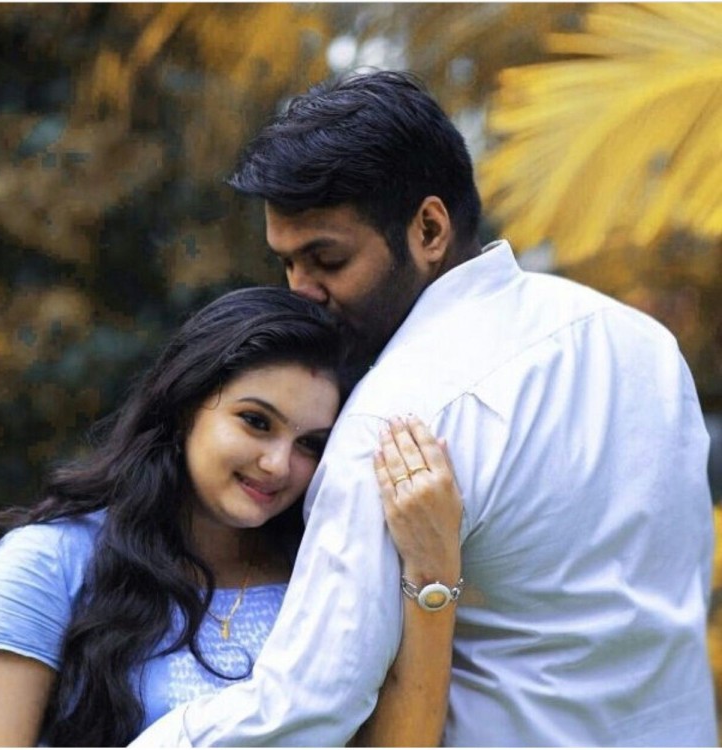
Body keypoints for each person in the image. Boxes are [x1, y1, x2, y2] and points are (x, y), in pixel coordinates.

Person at [132, 70, 717, 746]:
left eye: (326, 259)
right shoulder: (643, 345)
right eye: (287, 264)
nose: (302, 292)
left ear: (429, 229)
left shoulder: (397, 421)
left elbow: (308, 705)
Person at [0, 285, 463, 746]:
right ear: (186, 405)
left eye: (310, 445)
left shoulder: (321, 572)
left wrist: (432, 573)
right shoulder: (50, 561)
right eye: (256, 422)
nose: (278, 464)